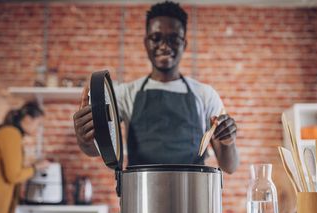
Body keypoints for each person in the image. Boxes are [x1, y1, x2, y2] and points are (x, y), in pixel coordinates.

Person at [73, 1, 239, 173]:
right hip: (141, 194)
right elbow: (97, 150)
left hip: (193, 195)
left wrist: (228, 142)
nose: (165, 46)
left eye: (173, 39)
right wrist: (85, 138)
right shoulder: (126, 93)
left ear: (184, 44)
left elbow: (230, 166)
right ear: (146, 43)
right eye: (156, 38)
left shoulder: (205, 95)